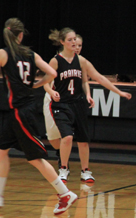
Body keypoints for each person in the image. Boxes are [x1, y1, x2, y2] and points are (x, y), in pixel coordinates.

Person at [0, 18, 77, 215]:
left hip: (21, 112)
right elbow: (52, 72)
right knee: (0, 150)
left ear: (7, 34)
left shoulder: (1, 54)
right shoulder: (31, 54)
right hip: (22, 110)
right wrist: (36, 85)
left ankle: (65, 194)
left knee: (35, 158)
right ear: (21, 35)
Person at [44, 31, 131, 184]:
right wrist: (51, 91)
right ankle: (63, 169)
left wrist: (119, 92)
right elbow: (45, 82)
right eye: (70, 40)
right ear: (63, 42)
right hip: (61, 104)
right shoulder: (55, 61)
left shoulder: (82, 61)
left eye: (75, 40)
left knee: (83, 140)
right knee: (67, 137)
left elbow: (98, 77)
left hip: (78, 103)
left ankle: (85, 171)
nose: (73, 43)